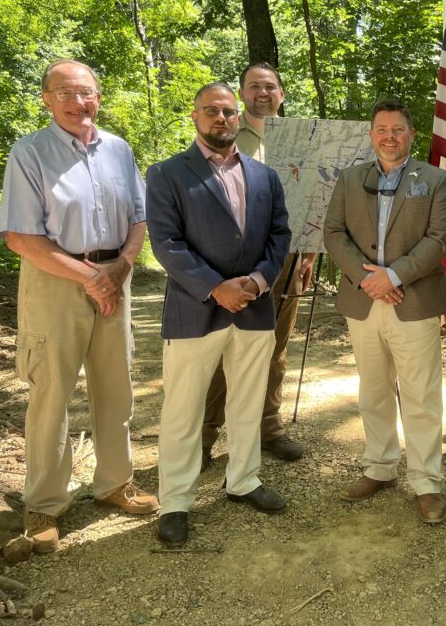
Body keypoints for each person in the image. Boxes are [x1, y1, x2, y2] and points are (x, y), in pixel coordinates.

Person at [0, 59, 158, 553]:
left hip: (115, 278)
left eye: (85, 92)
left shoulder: (118, 150)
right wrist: (92, 277)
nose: (76, 101)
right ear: (46, 99)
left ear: (98, 97)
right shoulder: (30, 153)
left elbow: (139, 217)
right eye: (64, 92)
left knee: (117, 387)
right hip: (54, 285)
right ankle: (44, 503)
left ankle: (114, 482)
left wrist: (122, 268)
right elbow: (21, 237)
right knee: (51, 392)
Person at [146, 82, 291, 547]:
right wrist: (215, 287)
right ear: (195, 116)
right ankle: (175, 500)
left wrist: (257, 281)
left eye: (228, 111)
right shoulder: (167, 173)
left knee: (247, 400)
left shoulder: (265, 176)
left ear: (239, 116)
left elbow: (279, 235)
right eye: (211, 111)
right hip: (195, 309)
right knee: (183, 410)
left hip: (254, 306)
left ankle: (244, 480)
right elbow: (166, 243)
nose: (221, 118)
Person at [323, 101, 446, 524]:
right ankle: (380, 466)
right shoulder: (349, 179)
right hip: (364, 301)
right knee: (374, 389)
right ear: (371, 135)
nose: (389, 136)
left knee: (421, 394)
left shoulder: (434, 180)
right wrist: (369, 280)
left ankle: (427, 482)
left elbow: (438, 239)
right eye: (382, 129)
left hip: (412, 300)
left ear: (411, 135)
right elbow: (333, 232)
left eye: (398, 129)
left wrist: (393, 277)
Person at [200, 62, 314, 465]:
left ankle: (269, 427)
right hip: (237, 261)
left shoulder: (301, 139)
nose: (262, 93)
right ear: (241, 94)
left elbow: (310, 197)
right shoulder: (228, 134)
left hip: (288, 257)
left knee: (275, 347)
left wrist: (310, 248)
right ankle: (204, 436)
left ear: (282, 94)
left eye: (270, 87)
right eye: (253, 87)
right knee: (221, 347)